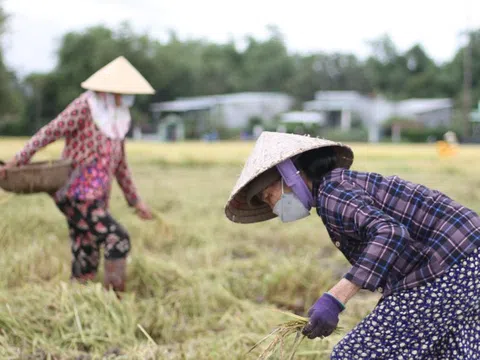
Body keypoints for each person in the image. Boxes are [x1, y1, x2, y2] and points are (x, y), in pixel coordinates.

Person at [225, 131, 480, 359]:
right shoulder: (338, 186)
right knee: (448, 352)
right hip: (468, 261)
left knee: (353, 353)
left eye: (270, 197)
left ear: (290, 176)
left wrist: (335, 299)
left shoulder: (333, 193)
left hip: (451, 266)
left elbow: (390, 233)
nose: (273, 207)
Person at [0, 56, 155, 295]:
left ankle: (78, 298)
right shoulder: (86, 106)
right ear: (110, 89)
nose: (127, 97)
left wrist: (135, 201)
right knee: (117, 238)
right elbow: (49, 132)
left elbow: (120, 165)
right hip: (75, 193)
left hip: (98, 196)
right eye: (123, 91)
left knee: (87, 247)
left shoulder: (119, 117)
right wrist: (17, 161)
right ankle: (115, 302)